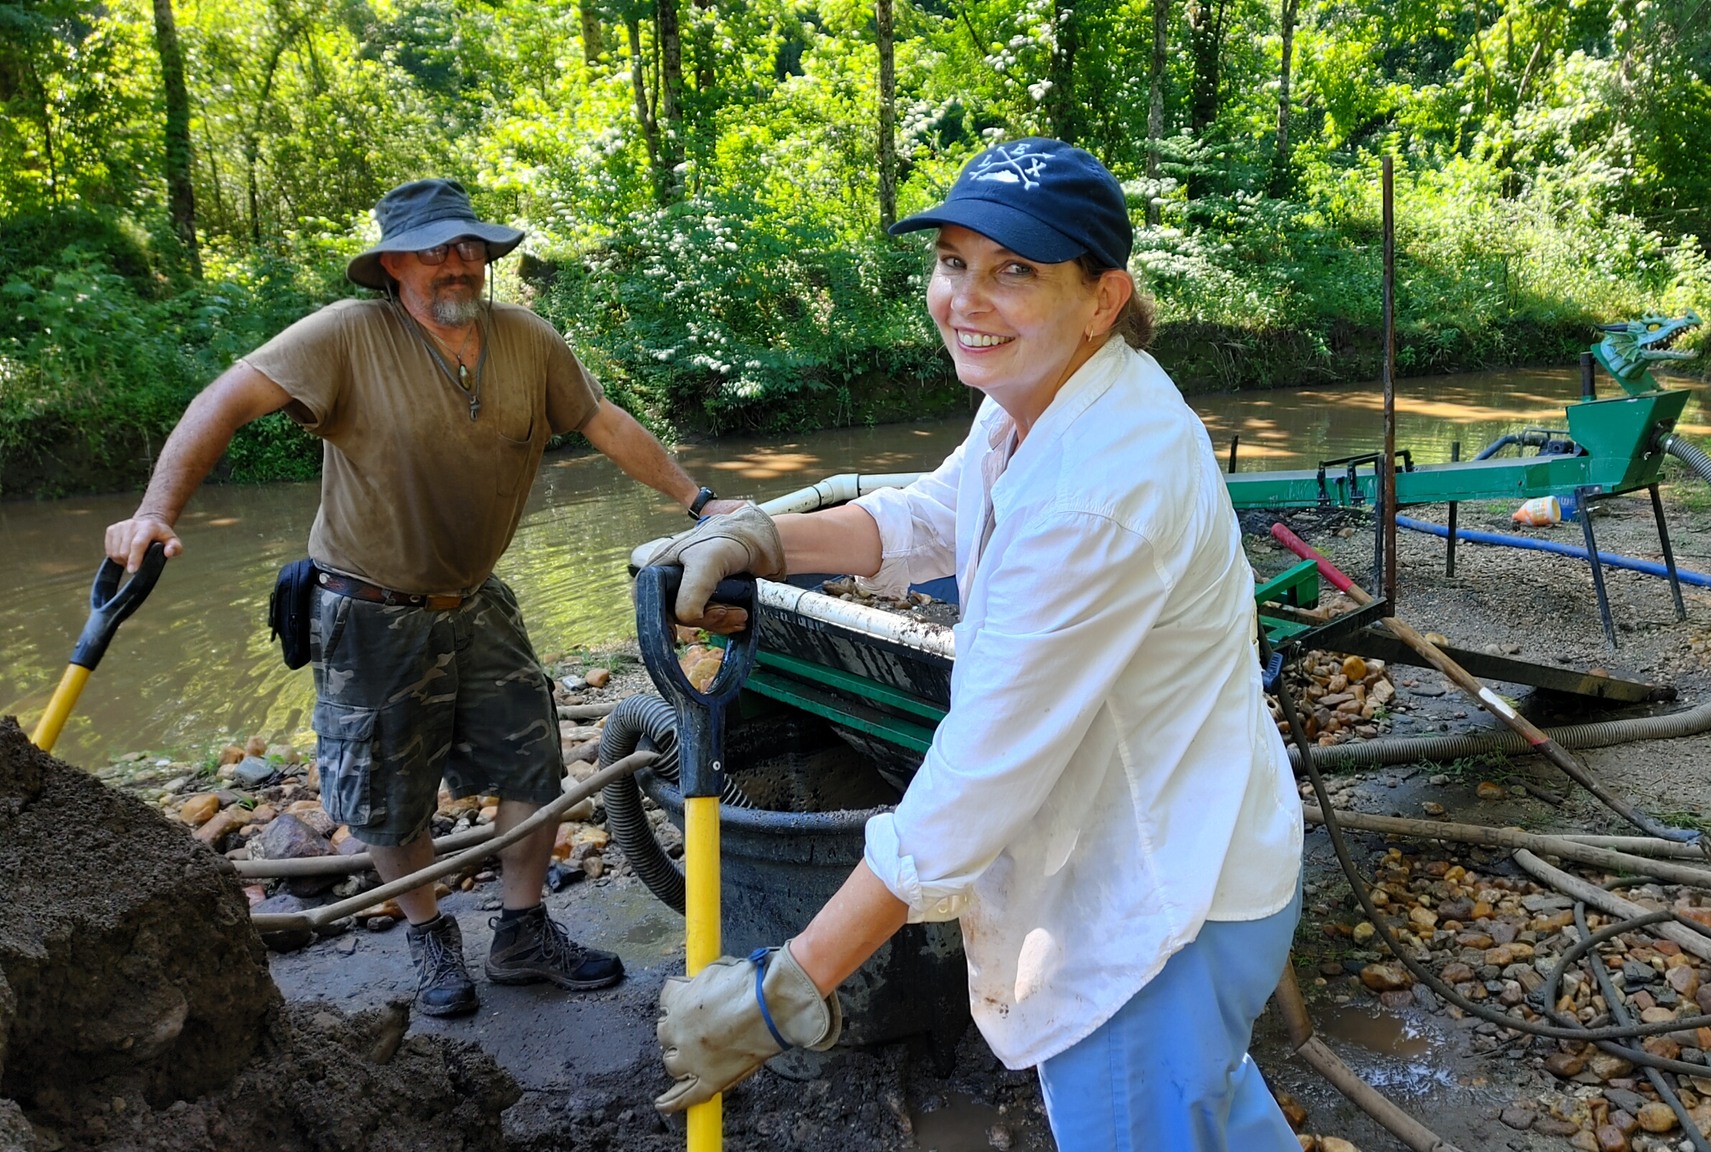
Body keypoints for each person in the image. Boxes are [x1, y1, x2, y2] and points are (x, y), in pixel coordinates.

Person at [648, 138, 1305, 1149]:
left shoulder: (1103, 489)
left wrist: (787, 988)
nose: (966, 298)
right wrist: (766, 539)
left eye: (1014, 272)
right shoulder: (1036, 401)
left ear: (1101, 296)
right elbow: (934, 515)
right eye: (953, 262)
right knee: (1209, 1115)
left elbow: (974, 784)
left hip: (1161, 911)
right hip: (1184, 839)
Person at [103, 179, 742, 1018]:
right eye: (438, 251)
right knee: (384, 794)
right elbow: (221, 402)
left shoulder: (527, 340)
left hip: (478, 601)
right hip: (366, 610)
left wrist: (701, 505)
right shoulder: (344, 337)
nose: (459, 264)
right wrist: (154, 513)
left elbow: (605, 422)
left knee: (533, 761)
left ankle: (521, 932)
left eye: (470, 248)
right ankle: (430, 936)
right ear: (393, 265)